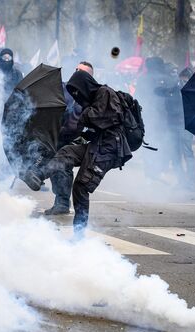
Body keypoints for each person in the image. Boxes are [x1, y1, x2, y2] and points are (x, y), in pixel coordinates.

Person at [23, 70, 133, 232]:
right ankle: (37, 176)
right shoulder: (92, 99)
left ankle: (79, 234)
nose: (76, 95)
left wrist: (83, 112)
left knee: (81, 186)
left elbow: (101, 118)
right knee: (67, 153)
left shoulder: (105, 93)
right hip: (98, 143)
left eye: (77, 91)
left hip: (110, 148)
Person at [45, 61, 94, 215]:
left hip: (77, 139)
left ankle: (62, 202)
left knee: (63, 165)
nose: (77, 73)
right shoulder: (62, 88)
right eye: (76, 69)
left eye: (83, 72)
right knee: (53, 166)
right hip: (57, 134)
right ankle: (59, 199)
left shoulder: (93, 95)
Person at [155, 67, 195, 191]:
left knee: (187, 154)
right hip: (174, 124)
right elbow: (157, 91)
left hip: (185, 126)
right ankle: (183, 182)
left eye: (184, 80)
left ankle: (190, 184)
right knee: (176, 154)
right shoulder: (174, 88)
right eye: (181, 79)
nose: (182, 82)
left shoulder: (193, 90)